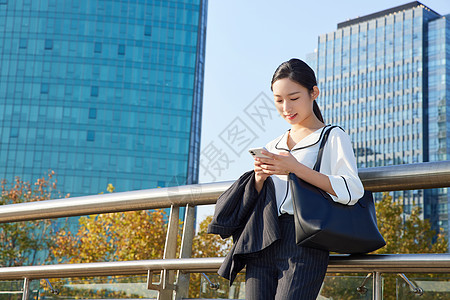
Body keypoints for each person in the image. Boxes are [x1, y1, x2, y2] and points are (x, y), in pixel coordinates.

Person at [208, 58, 364, 300]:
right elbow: (262, 197)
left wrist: (296, 169)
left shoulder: (331, 136)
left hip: (304, 239)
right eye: (278, 101)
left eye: (293, 98)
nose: (286, 108)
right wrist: (259, 178)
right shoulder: (274, 145)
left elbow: (352, 189)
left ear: (314, 93)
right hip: (263, 238)